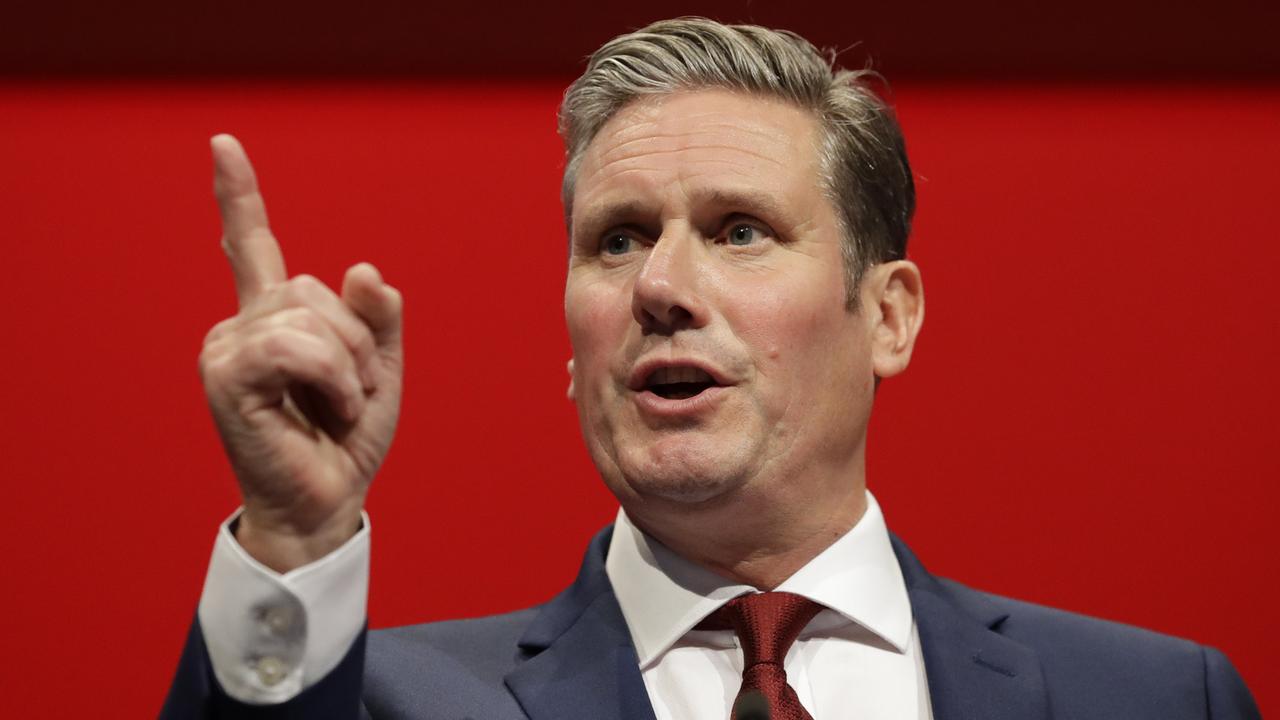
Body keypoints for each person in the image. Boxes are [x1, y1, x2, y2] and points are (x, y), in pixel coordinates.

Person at [161, 18, 1260, 720]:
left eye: (738, 231)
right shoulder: (386, 703)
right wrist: (294, 545)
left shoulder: (1154, 698)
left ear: (886, 315)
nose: (657, 285)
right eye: (617, 238)